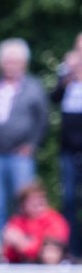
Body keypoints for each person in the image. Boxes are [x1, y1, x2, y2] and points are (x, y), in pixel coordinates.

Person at [0, 37, 49, 235]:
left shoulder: (34, 87)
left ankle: (24, 251)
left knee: (24, 205)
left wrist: (32, 145)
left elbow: (42, 120)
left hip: (21, 155)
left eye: (15, 61)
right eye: (7, 61)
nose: (10, 66)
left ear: (24, 63)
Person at [50, 39, 82, 257]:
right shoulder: (66, 68)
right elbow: (54, 98)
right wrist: (68, 77)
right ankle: (72, 249)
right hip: (68, 148)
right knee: (68, 200)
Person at [1, 180, 70, 264]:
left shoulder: (55, 220)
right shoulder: (16, 221)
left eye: (41, 198)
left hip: (48, 269)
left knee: (50, 252)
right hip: (20, 267)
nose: (37, 202)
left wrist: (22, 244)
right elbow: (8, 252)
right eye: (32, 199)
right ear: (22, 205)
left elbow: (52, 250)